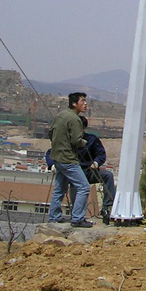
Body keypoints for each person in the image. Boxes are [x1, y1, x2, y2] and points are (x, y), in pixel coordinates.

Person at [48, 92, 93, 228]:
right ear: (74, 104)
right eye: (83, 101)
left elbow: (51, 133)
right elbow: (76, 140)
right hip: (68, 159)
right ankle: (78, 218)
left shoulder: (60, 115)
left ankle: (54, 217)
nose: (85, 104)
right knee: (84, 187)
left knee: (60, 188)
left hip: (57, 157)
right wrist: (84, 143)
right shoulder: (74, 119)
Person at [71, 116, 117, 225]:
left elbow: (101, 154)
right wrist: (52, 164)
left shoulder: (92, 139)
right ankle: (74, 215)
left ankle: (106, 208)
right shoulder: (68, 140)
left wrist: (96, 162)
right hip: (74, 173)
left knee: (108, 176)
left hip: (89, 171)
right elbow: (53, 152)